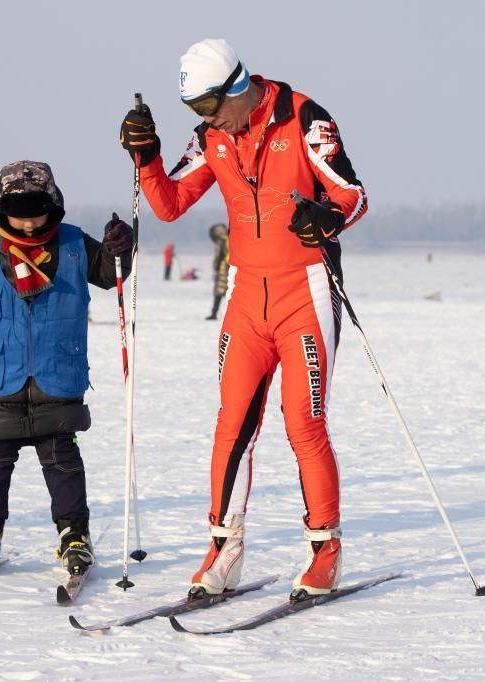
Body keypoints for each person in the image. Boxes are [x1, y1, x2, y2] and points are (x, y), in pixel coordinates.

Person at [120, 38, 368, 599]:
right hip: (245, 296)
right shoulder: (212, 136)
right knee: (233, 423)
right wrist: (147, 156)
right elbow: (170, 203)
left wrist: (325, 218)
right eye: (195, 114)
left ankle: (324, 548)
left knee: (303, 422)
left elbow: (352, 193)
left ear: (238, 86)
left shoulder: (306, 117)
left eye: (209, 108)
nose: (207, 122)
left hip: (305, 291)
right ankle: (224, 547)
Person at [0, 160, 133, 576]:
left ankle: (73, 535)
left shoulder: (71, 244)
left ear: (54, 207)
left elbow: (109, 273)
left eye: (39, 216)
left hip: (57, 371)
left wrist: (122, 246)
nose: (31, 226)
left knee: (62, 459)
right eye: (21, 216)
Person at [206, 223, 229, 320]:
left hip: (223, 268)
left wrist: (216, 267)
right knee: (231, 292)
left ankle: (214, 313)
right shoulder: (230, 237)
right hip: (233, 266)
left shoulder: (221, 240)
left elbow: (218, 255)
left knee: (219, 292)